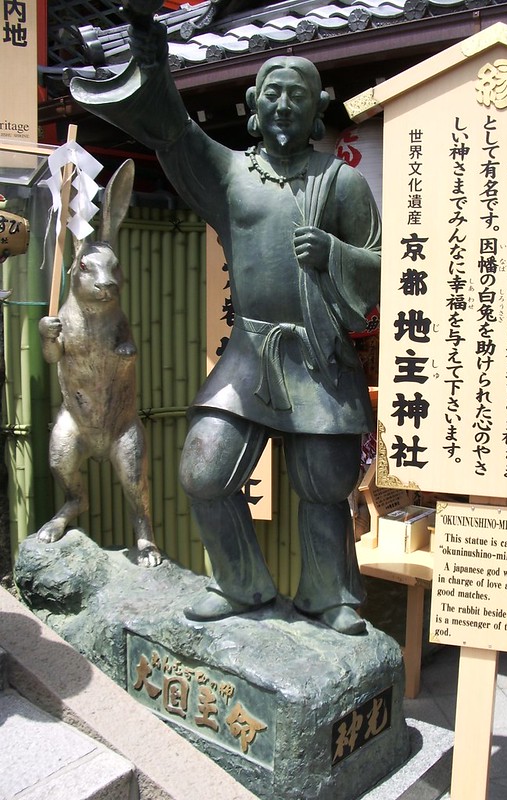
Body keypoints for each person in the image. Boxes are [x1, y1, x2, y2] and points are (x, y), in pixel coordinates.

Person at [70, 9, 381, 635]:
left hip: (317, 357)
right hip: (249, 351)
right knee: (204, 470)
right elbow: (177, 134)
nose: (285, 106)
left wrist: (336, 255)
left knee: (324, 483)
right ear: (253, 104)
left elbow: (378, 266)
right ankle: (240, 584)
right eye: (273, 94)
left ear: (318, 107)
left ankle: (330, 596)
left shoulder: (343, 184)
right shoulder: (232, 173)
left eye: (298, 95)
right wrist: (152, 57)